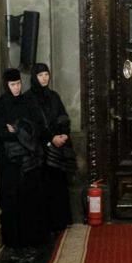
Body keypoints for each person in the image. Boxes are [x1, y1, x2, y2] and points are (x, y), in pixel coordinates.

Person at [0, 68, 48, 247]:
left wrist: (18, 129)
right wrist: (19, 131)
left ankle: (33, 238)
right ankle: (14, 240)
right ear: (7, 85)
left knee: (31, 200)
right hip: (10, 161)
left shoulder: (28, 101)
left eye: (18, 84)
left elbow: (37, 126)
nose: (16, 88)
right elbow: (1, 132)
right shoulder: (1, 104)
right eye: (12, 85)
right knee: (12, 199)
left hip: (29, 159)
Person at [28, 63, 75, 232]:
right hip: (41, 151)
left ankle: (60, 221)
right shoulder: (29, 98)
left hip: (58, 149)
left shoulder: (54, 96)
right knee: (44, 187)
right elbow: (34, 125)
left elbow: (63, 116)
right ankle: (47, 225)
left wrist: (64, 134)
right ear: (34, 77)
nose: (44, 78)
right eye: (40, 75)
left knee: (59, 185)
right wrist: (51, 138)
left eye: (46, 74)